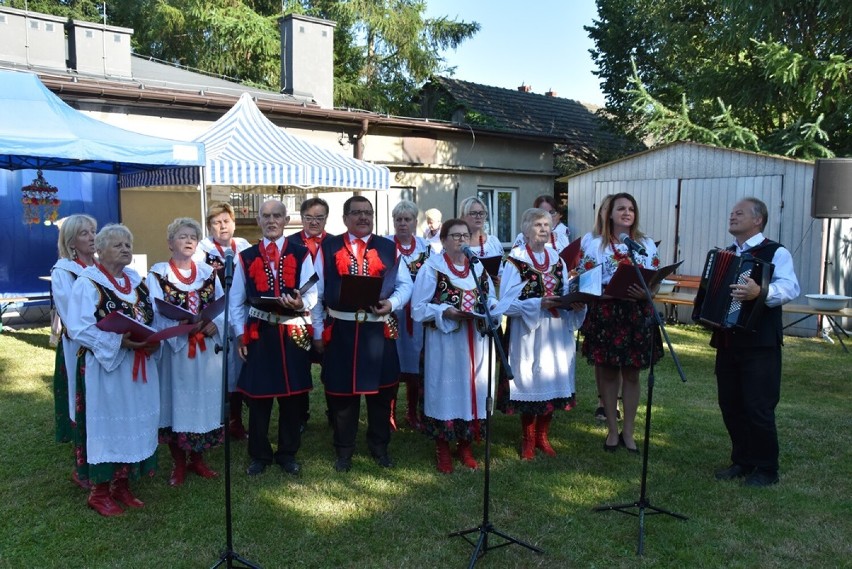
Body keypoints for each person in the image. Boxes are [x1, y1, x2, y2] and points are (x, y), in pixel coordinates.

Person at [311, 196, 413, 472]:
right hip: (342, 330)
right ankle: (344, 450)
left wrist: (391, 303)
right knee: (342, 396)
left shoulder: (389, 248)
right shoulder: (328, 247)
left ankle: (379, 447)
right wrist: (318, 331)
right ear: (345, 219)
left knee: (382, 394)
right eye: (356, 213)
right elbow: (316, 293)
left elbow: (405, 285)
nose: (363, 217)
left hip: (377, 330)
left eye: (367, 212)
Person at [65, 224, 160, 517]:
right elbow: (78, 327)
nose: (125, 249)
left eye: (128, 244)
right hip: (105, 368)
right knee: (107, 426)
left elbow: (149, 317)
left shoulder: (137, 281)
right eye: (117, 244)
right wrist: (120, 341)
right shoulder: (88, 282)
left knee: (132, 422)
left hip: (137, 365)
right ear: (100, 250)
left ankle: (122, 484)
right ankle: (100, 491)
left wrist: (152, 339)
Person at [712, 197, 799, 487]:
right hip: (728, 341)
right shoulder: (726, 254)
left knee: (758, 405)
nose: (732, 216)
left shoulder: (776, 251)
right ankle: (743, 460)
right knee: (731, 403)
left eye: (739, 213)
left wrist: (760, 292)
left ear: (758, 219)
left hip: (760, 342)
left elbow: (790, 287)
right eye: (731, 212)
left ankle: (766, 468)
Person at [230, 200, 317, 476]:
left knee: (292, 398)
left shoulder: (301, 253)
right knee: (258, 398)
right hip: (261, 332)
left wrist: (301, 303)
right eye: (266, 216)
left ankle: (288, 453)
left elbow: (314, 293)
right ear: (258, 220)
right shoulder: (244, 256)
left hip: (292, 332)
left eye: (276, 215)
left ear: (286, 219)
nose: (271, 220)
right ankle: (259, 454)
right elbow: (235, 302)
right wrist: (240, 335)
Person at [411, 218, 501, 473]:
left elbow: (490, 298)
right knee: (444, 390)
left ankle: (465, 445)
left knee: (472, 389)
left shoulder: (478, 267)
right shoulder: (433, 268)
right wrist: (445, 311)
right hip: (445, 343)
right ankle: (442, 449)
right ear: (443, 240)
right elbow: (417, 309)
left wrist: (491, 308)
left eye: (465, 235)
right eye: (455, 236)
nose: (462, 240)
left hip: (474, 339)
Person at [577, 193, 662, 454]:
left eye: (631, 209)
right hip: (607, 312)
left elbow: (656, 279)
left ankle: (629, 431)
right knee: (610, 371)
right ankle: (612, 430)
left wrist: (648, 292)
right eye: (621, 208)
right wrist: (608, 294)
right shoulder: (593, 244)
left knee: (633, 373)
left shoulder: (645, 243)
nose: (627, 213)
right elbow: (584, 281)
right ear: (609, 214)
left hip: (637, 312)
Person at [499, 208, 586, 460]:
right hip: (528, 332)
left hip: (556, 332)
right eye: (538, 224)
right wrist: (537, 304)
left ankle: (542, 436)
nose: (544, 229)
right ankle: (527, 439)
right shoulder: (515, 260)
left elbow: (565, 291)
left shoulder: (557, 260)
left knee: (552, 379)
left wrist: (575, 302)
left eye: (547, 224)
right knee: (530, 381)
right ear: (525, 229)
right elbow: (505, 304)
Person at [149, 217, 225, 487]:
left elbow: (222, 305)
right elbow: (154, 311)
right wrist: (180, 327)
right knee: (177, 404)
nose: (189, 240)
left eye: (193, 236)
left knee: (203, 405)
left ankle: (198, 460)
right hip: (177, 353)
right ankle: (179, 463)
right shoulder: (158, 273)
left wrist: (215, 324)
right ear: (170, 243)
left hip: (204, 350)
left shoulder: (207, 272)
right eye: (182, 236)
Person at [50, 214, 97, 483]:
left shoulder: (101, 267)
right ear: (70, 241)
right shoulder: (64, 271)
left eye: (93, 231)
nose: (91, 237)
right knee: (82, 401)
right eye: (84, 233)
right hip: (79, 348)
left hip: (104, 345)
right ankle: (83, 465)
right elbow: (72, 316)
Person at [384, 200, 430, 430]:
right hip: (393, 313)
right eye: (398, 219)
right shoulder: (384, 246)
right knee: (393, 361)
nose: (403, 223)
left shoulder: (427, 248)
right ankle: (389, 413)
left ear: (415, 221)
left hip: (418, 316)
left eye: (407, 219)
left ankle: (412, 412)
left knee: (416, 365)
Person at [286, 197, 330, 431]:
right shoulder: (288, 243)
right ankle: (300, 416)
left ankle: (334, 413)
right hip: (298, 314)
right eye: (309, 217)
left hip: (328, 313)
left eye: (319, 217)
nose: (314, 222)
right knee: (299, 367)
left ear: (326, 219)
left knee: (331, 366)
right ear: (301, 218)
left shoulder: (335, 243)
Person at [581, 195, 620, 423]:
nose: (609, 213)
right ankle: (603, 400)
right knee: (602, 357)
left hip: (625, 304)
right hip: (601, 303)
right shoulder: (592, 240)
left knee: (622, 359)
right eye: (608, 209)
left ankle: (617, 400)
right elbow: (586, 273)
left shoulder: (631, 241)